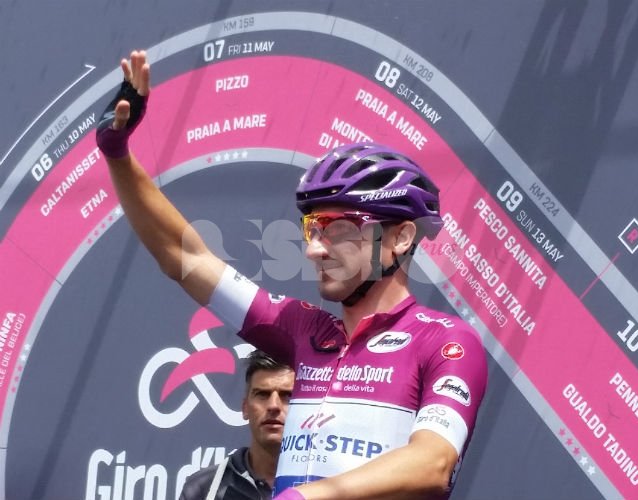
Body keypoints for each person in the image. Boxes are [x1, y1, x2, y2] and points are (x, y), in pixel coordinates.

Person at [97, 50, 488, 499]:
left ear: (400, 237)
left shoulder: (444, 341)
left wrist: (307, 496)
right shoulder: (305, 332)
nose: (314, 249)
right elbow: (185, 258)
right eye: (312, 229)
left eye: (338, 229)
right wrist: (117, 155)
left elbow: (433, 463)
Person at [180, 350, 294, 500]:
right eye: (262, 394)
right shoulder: (202, 488)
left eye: (287, 395)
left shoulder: (324, 483)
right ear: (245, 408)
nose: (273, 405)